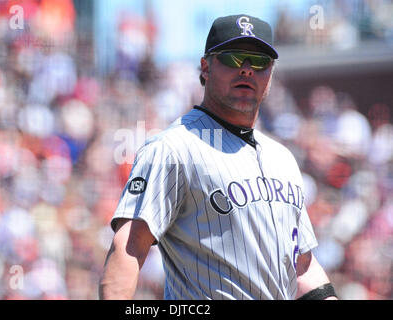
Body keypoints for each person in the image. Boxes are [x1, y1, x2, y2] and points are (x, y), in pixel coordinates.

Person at [99, 14, 338, 300]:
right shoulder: (173, 148)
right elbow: (129, 247)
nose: (247, 70)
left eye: (259, 61)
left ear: (271, 74)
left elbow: (301, 268)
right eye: (234, 58)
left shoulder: (283, 158)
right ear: (205, 67)